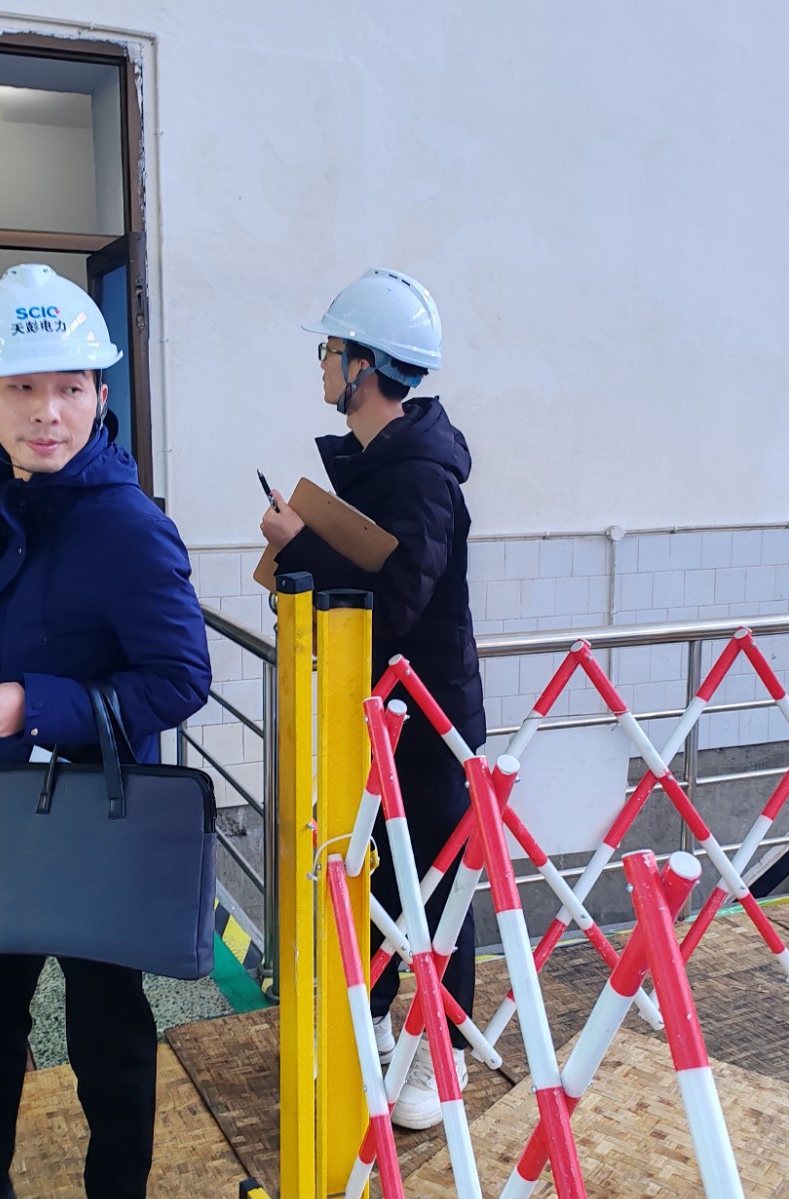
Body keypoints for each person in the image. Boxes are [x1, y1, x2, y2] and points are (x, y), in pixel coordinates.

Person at [0, 264, 211, 1199]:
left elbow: (181, 679)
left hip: (90, 825)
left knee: (106, 1038)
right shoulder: (3, 497)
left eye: (70, 386)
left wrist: (33, 704)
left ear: (100, 393)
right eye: (22, 386)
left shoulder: (128, 528)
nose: (48, 411)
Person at [259, 268, 485, 1131]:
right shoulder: (378, 463)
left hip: (429, 723)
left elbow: (392, 604)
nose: (321, 363)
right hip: (380, 713)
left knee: (439, 886)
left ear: (364, 366)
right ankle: (382, 1020)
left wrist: (298, 546)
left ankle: (439, 1052)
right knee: (382, 872)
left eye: (329, 349)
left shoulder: (420, 474)